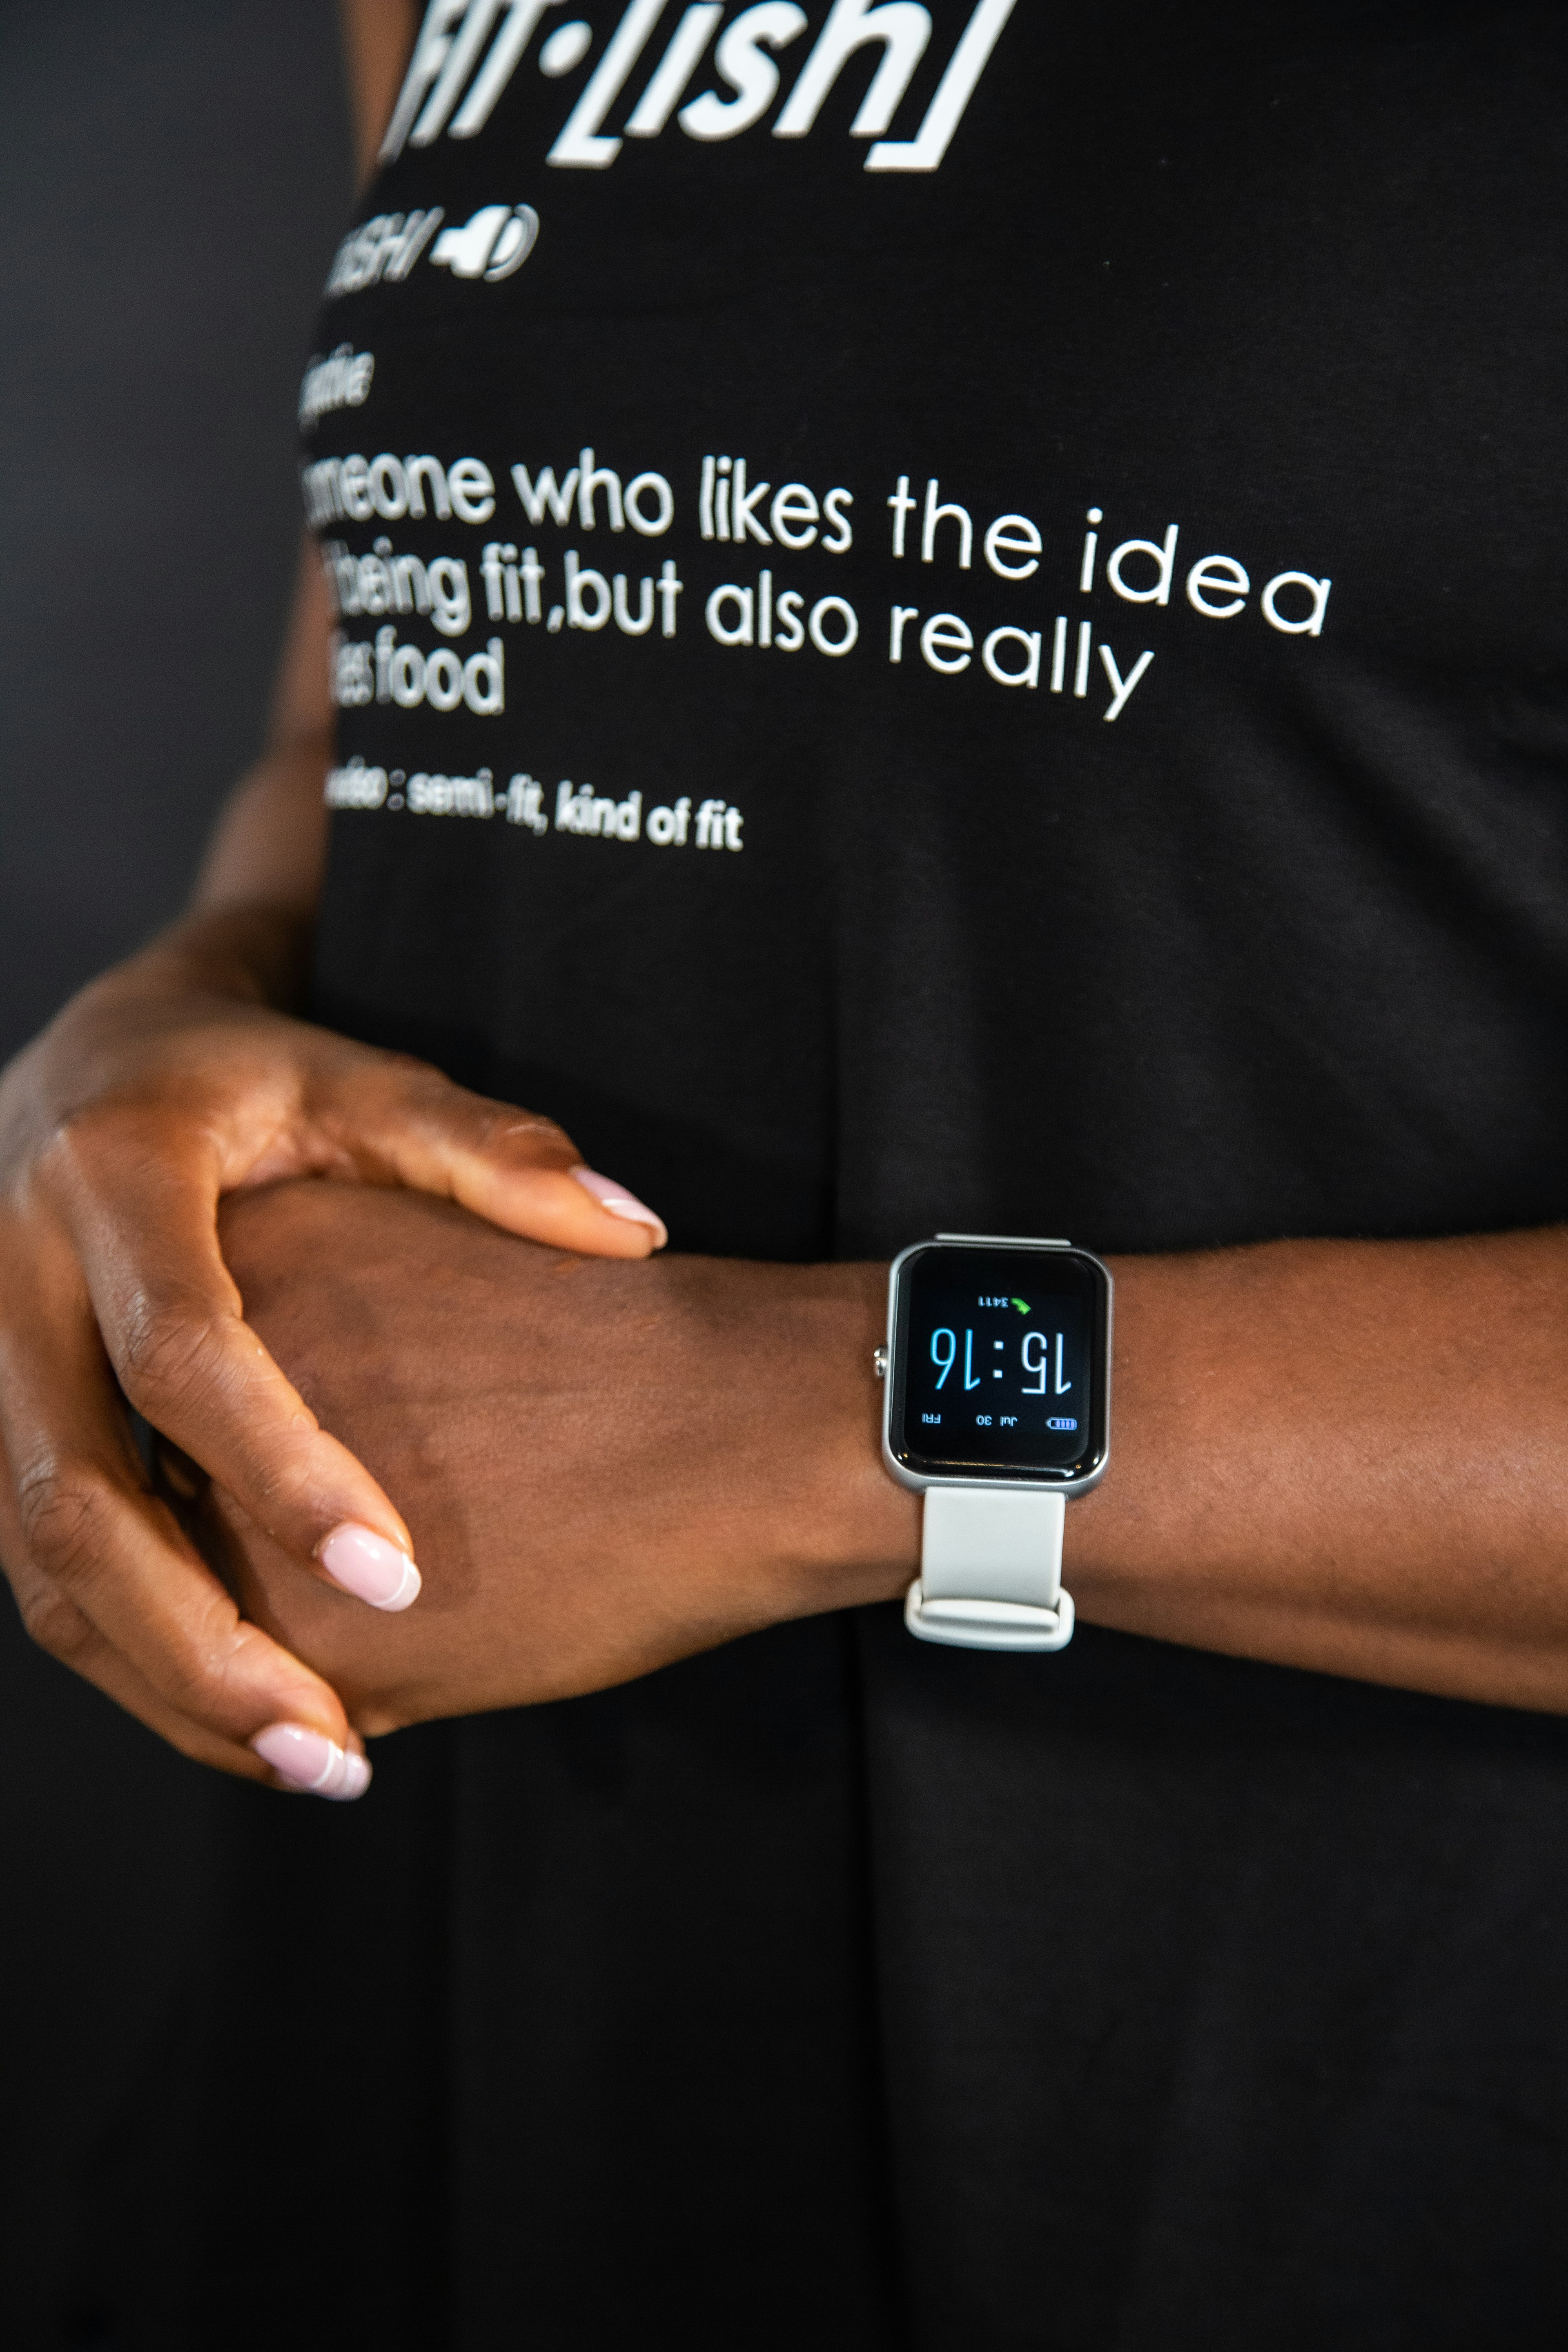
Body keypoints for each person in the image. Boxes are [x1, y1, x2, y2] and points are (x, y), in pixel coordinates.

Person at [3, 0, 1567, 2342]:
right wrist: (151, 1032)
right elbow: (379, 713)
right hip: (426, 2056)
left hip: (1310, 2136)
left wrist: (798, 1420)